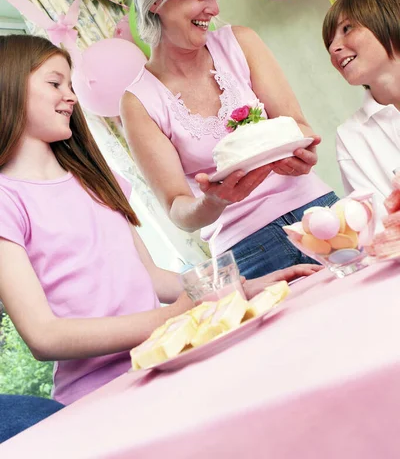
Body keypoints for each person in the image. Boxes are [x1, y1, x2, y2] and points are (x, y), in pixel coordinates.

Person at [0, 34, 319, 406]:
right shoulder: (6, 199)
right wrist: (175, 315)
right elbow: (44, 336)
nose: (70, 96)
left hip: (166, 362)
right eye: (55, 83)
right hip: (102, 397)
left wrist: (241, 287)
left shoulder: (96, 181)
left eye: (70, 85)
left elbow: (152, 278)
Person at [121, 0, 337, 279]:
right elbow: (178, 209)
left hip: (318, 213)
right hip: (249, 254)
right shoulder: (138, 102)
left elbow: (297, 125)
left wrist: (303, 155)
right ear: (156, 0)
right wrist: (214, 201)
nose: (214, 8)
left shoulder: (241, 42)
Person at [322, 0, 400, 219]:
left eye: (347, 29)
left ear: (389, 21)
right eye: (329, 42)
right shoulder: (351, 136)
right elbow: (382, 225)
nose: (334, 48)